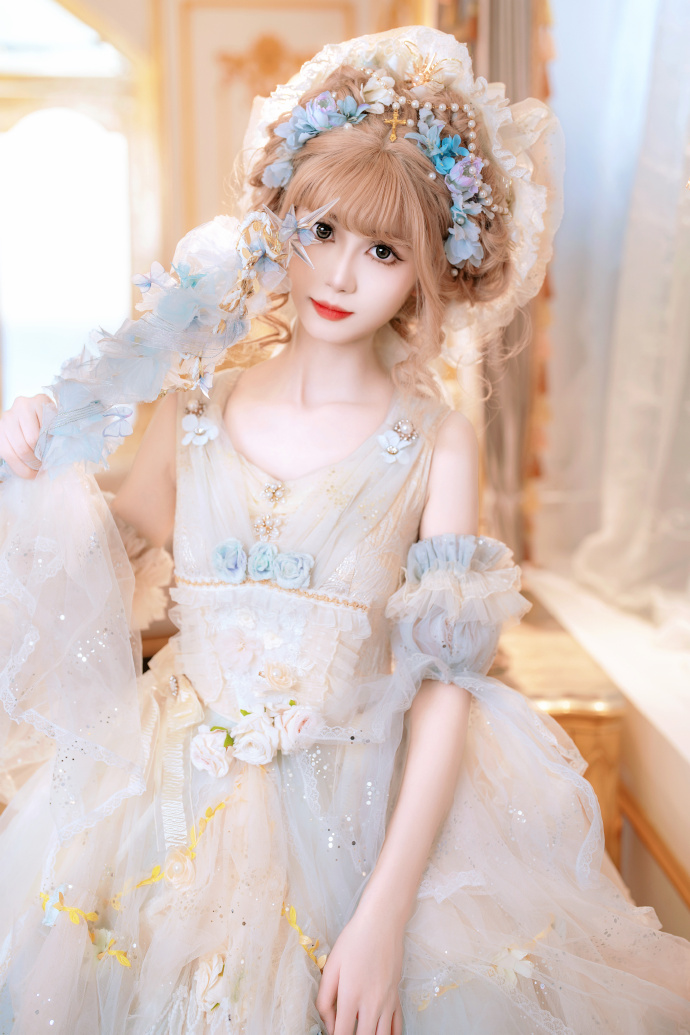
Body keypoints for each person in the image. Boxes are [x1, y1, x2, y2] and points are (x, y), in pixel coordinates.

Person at [0, 23, 688, 1035]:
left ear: (429, 272)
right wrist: (37, 454)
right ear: (278, 221)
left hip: (361, 809)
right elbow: (112, 547)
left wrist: (383, 916)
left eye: (383, 251)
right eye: (320, 230)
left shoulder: (436, 444)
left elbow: (446, 687)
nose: (339, 274)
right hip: (168, 799)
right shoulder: (196, 403)